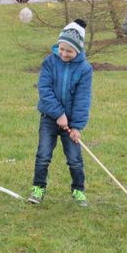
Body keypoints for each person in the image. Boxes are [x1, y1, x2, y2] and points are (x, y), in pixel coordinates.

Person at [29, 19, 93, 207]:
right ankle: (38, 188)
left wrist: (77, 126)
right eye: (61, 49)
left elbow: (83, 99)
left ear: (78, 50)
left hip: (71, 122)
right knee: (43, 156)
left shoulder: (85, 69)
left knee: (74, 159)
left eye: (69, 51)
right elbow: (45, 90)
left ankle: (78, 190)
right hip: (49, 118)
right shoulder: (50, 62)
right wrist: (58, 113)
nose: (64, 54)